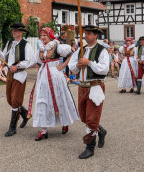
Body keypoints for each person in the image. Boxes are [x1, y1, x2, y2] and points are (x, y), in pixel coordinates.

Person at [28, 27, 79, 141]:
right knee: (42, 99)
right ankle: (43, 129)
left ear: (50, 36)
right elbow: (37, 62)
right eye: (41, 36)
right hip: (43, 76)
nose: (42, 38)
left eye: (44, 36)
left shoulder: (57, 46)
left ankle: (64, 122)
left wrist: (62, 66)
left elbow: (72, 54)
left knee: (59, 98)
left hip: (55, 75)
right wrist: (23, 66)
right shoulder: (41, 49)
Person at [68, 25, 108, 159]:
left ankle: (90, 147)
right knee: (84, 117)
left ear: (96, 35)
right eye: (85, 33)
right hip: (82, 87)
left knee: (91, 118)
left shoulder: (102, 50)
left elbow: (104, 69)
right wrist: (78, 65)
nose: (86, 36)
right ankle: (100, 130)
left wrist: (89, 62)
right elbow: (72, 67)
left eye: (89, 33)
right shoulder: (81, 50)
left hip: (95, 86)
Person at [0, 23, 35, 137]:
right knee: (10, 99)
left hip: (19, 75)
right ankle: (25, 114)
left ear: (21, 32)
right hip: (10, 74)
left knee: (15, 100)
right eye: (13, 30)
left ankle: (12, 127)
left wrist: (17, 66)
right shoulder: (10, 42)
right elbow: (5, 56)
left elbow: (30, 61)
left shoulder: (26, 45)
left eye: (16, 30)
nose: (14, 32)